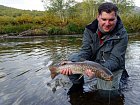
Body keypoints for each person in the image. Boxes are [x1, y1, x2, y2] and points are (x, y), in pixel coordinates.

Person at [60, 2, 129, 95]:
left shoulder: (122, 34)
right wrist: (71, 63)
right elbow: (85, 51)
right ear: (98, 17)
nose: (107, 23)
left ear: (116, 18)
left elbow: (115, 61)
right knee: (73, 59)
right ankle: (77, 87)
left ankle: (122, 79)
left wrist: (96, 71)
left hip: (112, 67)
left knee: (106, 92)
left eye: (111, 20)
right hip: (94, 64)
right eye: (104, 19)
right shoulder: (89, 29)